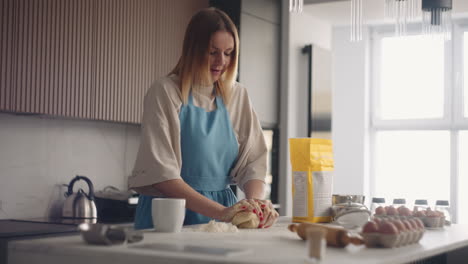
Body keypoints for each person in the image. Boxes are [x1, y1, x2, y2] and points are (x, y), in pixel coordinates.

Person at [128, 7, 278, 229]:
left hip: (223, 213)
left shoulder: (237, 95)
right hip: (170, 214)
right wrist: (223, 213)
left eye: (228, 53)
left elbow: (253, 161)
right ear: (193, 50)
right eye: (212, 52)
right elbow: (162, 174)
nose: (221, 62)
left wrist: (254, 204)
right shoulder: (165, 92)